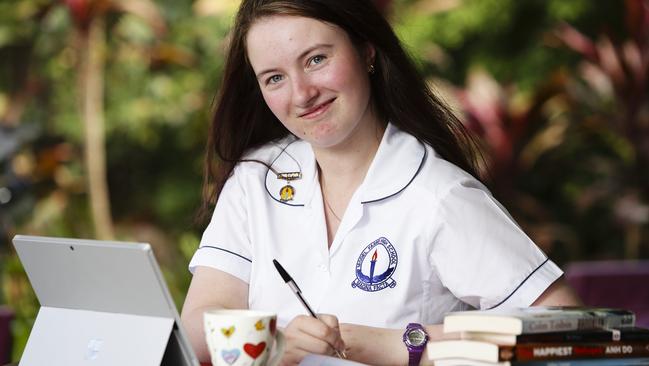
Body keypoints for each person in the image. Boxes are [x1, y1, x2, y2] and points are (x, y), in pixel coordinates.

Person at [180, 0, 582, 365]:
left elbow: (569, 330)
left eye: (316, 59)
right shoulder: (257, 179)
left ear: (367, 52)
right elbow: (197, 329)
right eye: (274, 78)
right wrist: (278, 343)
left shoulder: (438, 195)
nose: (301, 94)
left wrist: (398, 344)